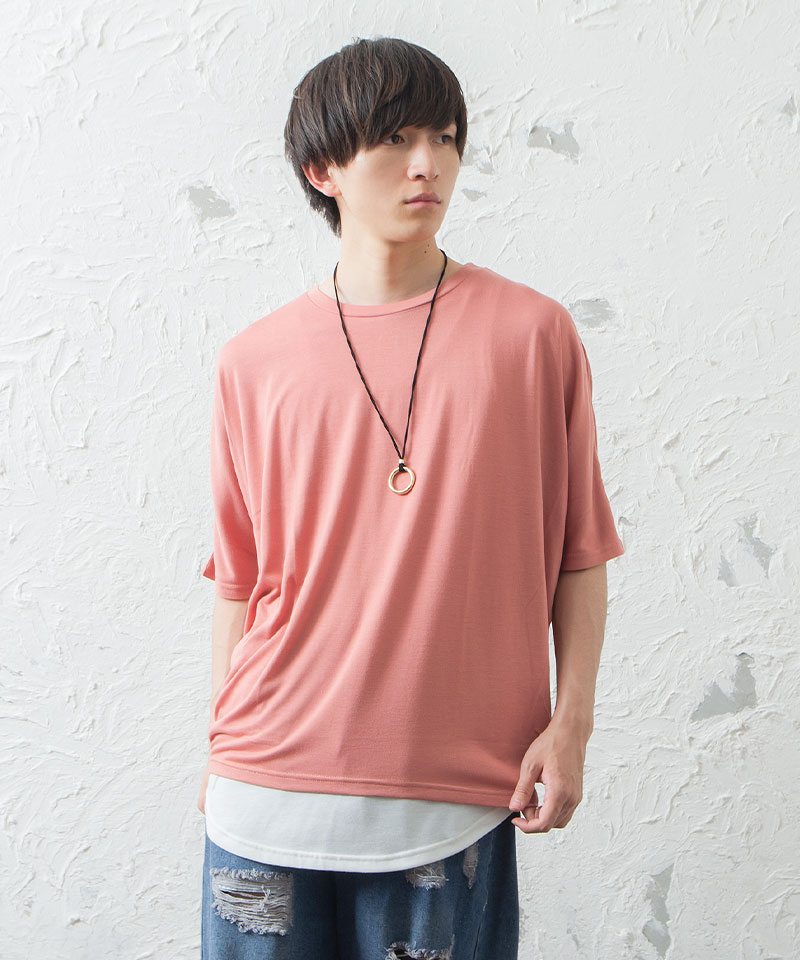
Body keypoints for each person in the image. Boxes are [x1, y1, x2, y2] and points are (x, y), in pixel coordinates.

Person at [198, 36, 624, 960]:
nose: (428, 163)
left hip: (450, 795)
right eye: (395, 139)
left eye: (445, 137)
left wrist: (573, 724)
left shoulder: (532, 337)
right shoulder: (253, 363)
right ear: (323, 170)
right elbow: (240, 581)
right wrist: (220, 750)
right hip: (264, 785)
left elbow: (579, 550)